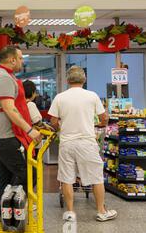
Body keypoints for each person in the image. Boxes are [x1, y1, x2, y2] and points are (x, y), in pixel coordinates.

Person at [48, 66, 117, 222]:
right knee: (96, 177)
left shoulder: (60, 97)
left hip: (67, 142)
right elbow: (104, 118)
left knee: (66, 178)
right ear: (84, 79)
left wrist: (61, 128)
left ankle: (70, 212)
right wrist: (98, 124)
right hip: (87, 142)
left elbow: (53, 121)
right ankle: (101, 211)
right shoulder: (92, 96)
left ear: (67, 80)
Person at [0, 46, 42, 219]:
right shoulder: (3, 77)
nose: (22, 61)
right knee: (28, 174)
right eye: (20, 58)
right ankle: (13, 211)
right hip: (5, 135)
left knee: (5, 176)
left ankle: (5, 216)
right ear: (11, 60)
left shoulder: (4, 75)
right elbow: (10, 109)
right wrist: (30, 130)